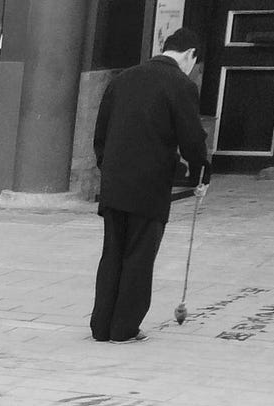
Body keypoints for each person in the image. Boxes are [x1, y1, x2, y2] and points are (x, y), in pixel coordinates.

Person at [90, 26, 211, 342]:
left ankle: (101, 326)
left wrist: (109, 168)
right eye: (194, 64)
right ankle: (124, 328)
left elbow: (100, 135)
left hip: (115, 184)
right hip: (149, 186)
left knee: (113, 253)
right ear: (189, 55)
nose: (193, 71)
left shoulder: (122, 79)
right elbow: (192, 140)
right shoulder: (179, 84)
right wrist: (201, 173)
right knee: (139, 258)